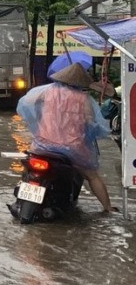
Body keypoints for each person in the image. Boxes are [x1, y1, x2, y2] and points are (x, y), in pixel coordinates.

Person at [16, 63, 114, 213]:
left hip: (42, 145)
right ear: (81, 83)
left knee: (28, 169)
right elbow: (90, 122)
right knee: (92, 176)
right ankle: (108, 208)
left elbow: (26, 102)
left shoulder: (47, 92)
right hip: (72, 149)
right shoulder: (83, 98)